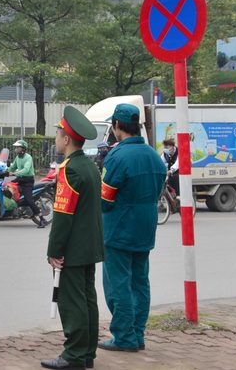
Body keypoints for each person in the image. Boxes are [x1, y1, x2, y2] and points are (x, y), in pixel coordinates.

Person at [98, 103, 166, 353]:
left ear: (117, 125)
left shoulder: (117, 157)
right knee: (140, 282)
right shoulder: (153, 155)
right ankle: (137, 334)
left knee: (118, 285)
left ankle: (124, 337)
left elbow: (105, 200)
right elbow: (158, 193)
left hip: (119, 229)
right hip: (146, 229)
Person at [41, 106, 102, 370]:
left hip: (74, 248)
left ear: (66, 139)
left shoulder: (69, 170)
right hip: (91, 246)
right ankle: (86, 353)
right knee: (88, 299)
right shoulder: (89, 166)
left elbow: (63, 215)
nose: (55, 138)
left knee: (72, 301)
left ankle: (74, 356)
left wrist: (54, 250)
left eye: (57, 134)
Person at [8, 138, 46, 228]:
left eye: (18, 147)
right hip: (20, 179)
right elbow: (12, 167)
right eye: (16, 147)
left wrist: (14, 173)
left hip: (27, 181)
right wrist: (5, 171)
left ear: (23, 148)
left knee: (29, 200)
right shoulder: (18, 157)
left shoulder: (28, 157)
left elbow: (26, 169)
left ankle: (41, 218)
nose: (16, 149)